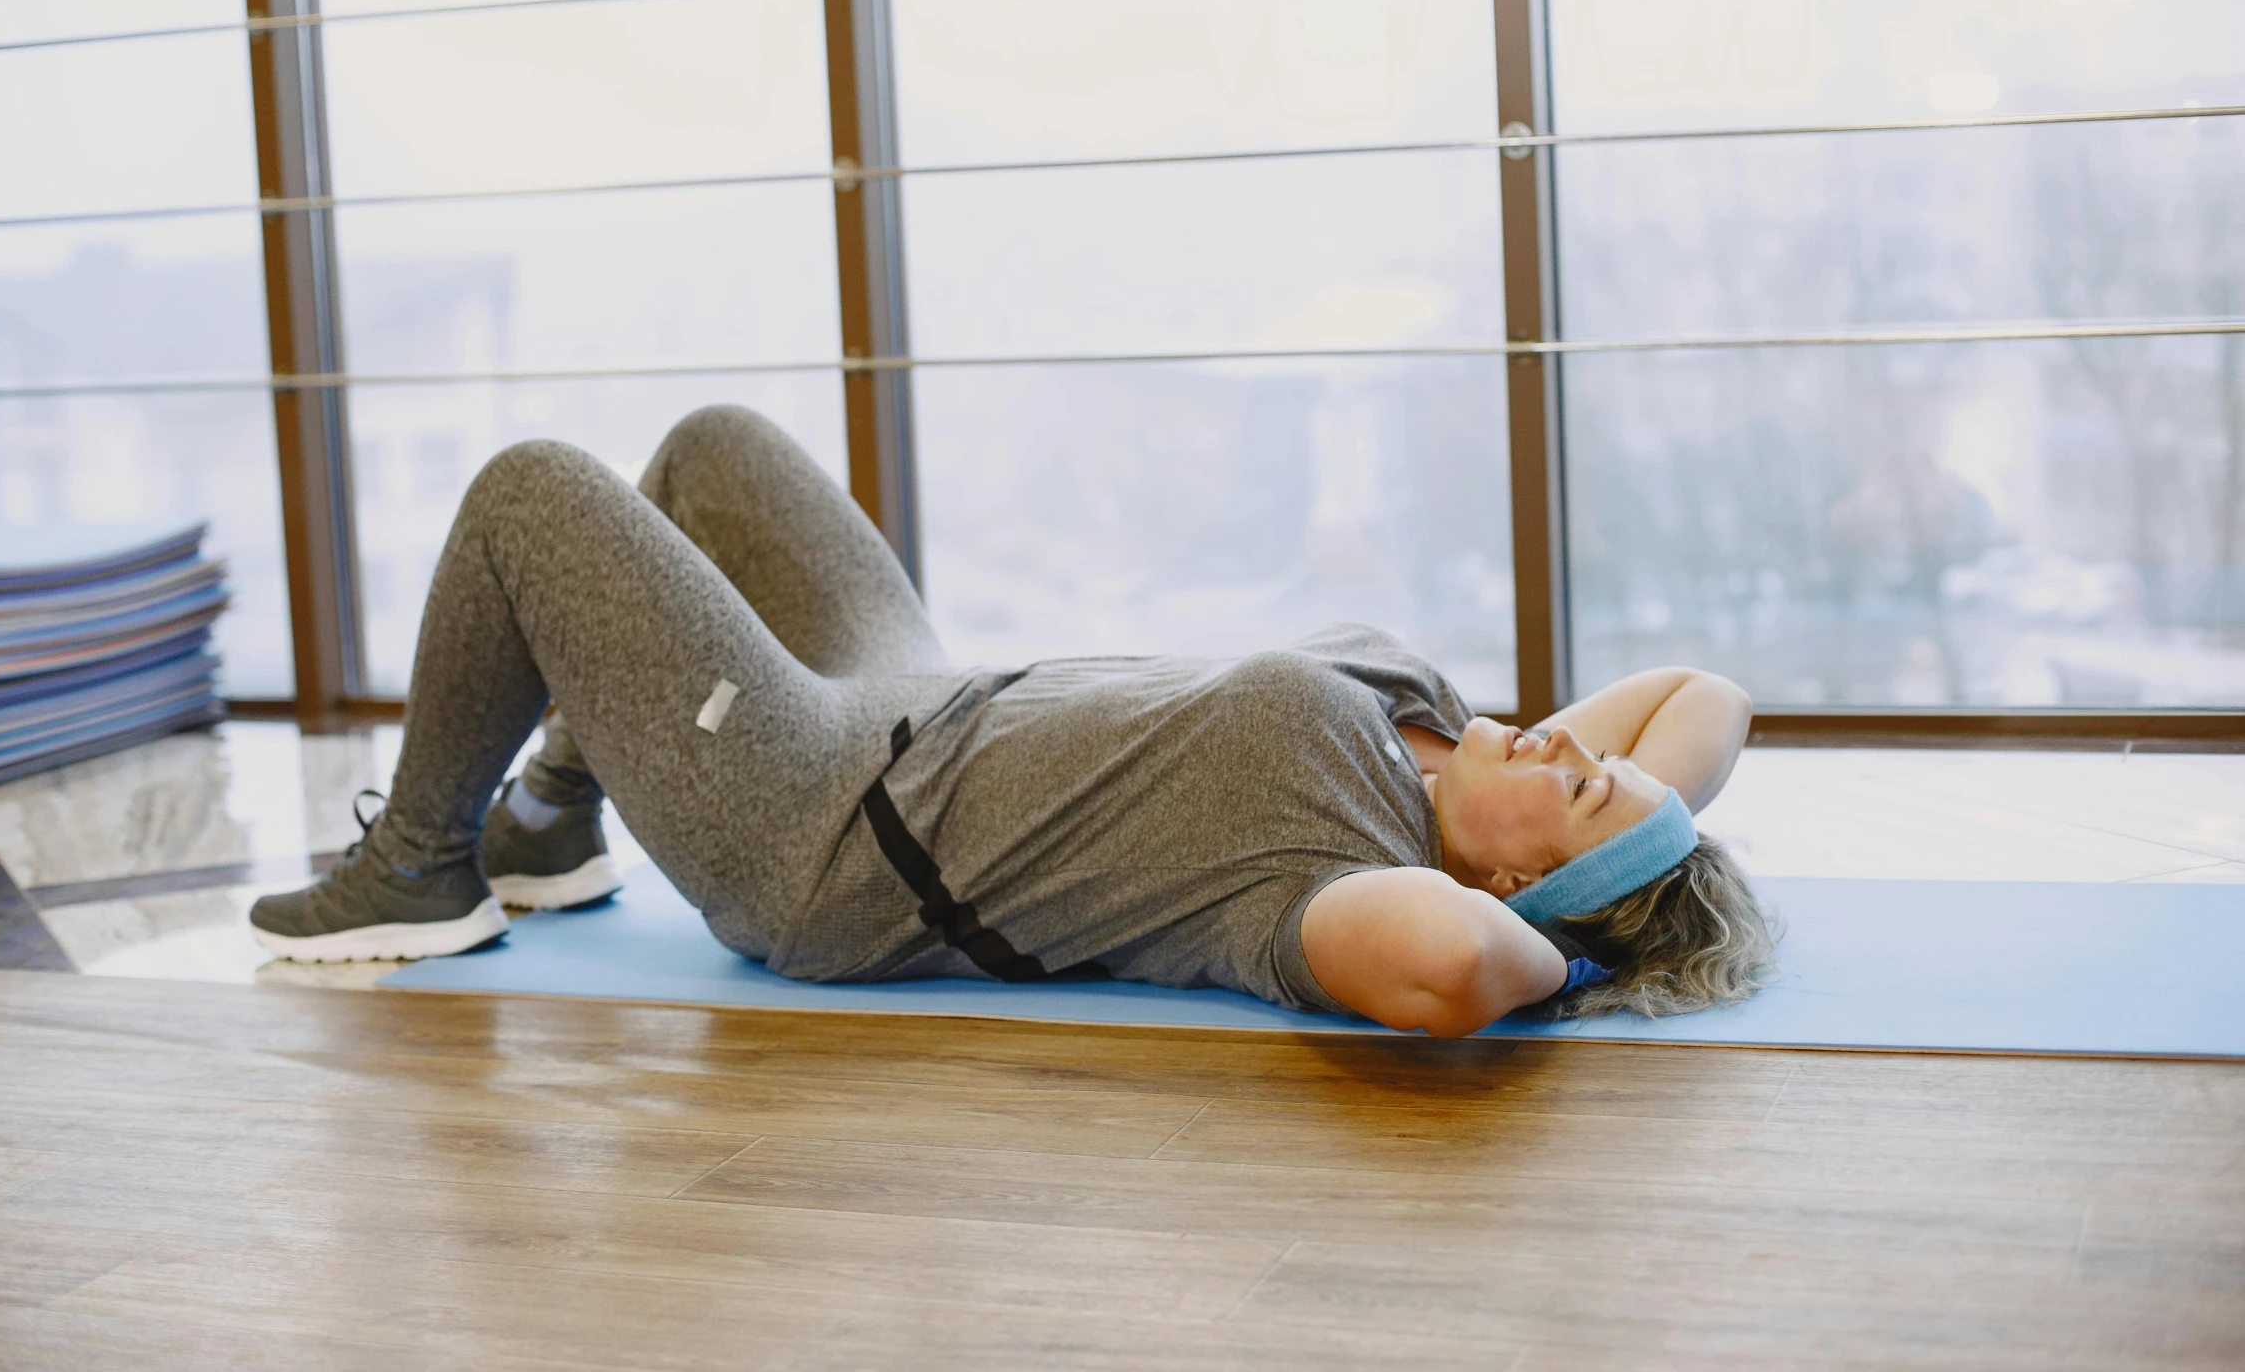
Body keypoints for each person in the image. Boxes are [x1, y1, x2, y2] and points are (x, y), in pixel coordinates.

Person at [251, 406, 1773, 1036]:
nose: (1573, 746)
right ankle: (556, 815)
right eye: (1594, 757)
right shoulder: (1436, 731)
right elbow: (1706, 701)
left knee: (533, 492)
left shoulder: (1346, 882)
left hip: (825, 821)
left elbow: (1454, 977)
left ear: (1512, 884)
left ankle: (421, 862)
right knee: (715, 453)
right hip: (907, 688)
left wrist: (1578, 962)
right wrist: (1637, 816)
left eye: (1579, 793)